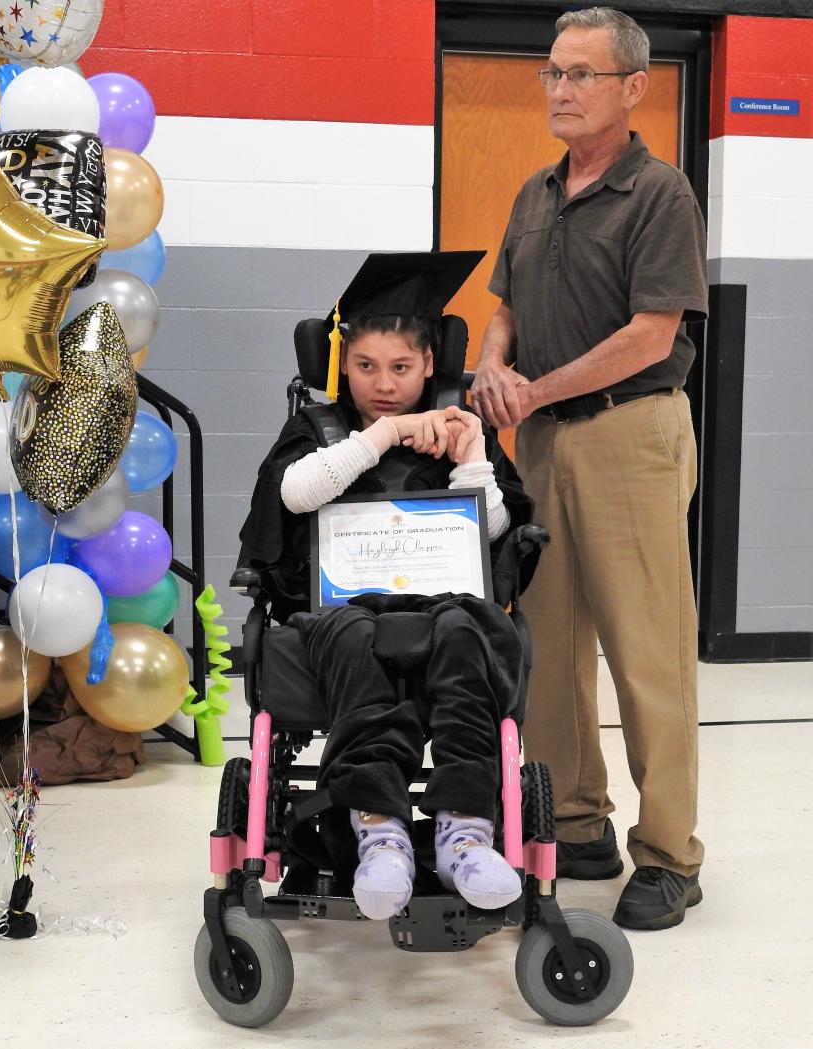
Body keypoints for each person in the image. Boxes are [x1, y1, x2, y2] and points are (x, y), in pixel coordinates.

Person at [472, 7, 707, 930]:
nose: (560, 91)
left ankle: (670, 852)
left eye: (580, 75)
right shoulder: (535, 192)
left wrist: (532, 389)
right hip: (541, 443)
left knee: (646, 650)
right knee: (550, 647)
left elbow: (653, 333)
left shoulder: (661, 195)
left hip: (629, 436)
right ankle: (577, 820)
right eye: (552, 74)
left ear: (632, 88)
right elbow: (503, 305)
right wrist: (495, 363)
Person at [238, 251, 535, 921]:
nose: (383, 382)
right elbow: (293, 492)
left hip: (442, 607)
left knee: (471, 627)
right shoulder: (323, 432)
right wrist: (386, 435)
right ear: (344, 364)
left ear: (431, 364)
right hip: (342, 612)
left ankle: (464, 831)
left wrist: (472, 458)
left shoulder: (462, 427)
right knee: (353, 635)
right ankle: (381, 834)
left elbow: (492, 533)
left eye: (401, 368)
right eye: (366, 366)